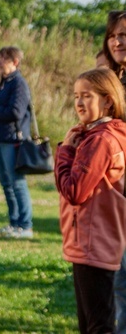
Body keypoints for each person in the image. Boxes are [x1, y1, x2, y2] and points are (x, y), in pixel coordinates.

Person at [55, 68, 126, 334]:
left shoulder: (102, 140)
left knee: (98, 325)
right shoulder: (101, 135)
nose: (79, 103)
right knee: (92, 322)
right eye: (76, 96)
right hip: (93, 241)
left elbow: (74, 190)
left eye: (87, 96)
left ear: (108, 100)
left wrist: (65, 152)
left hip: (92, 242)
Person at [0, 46, 34, 238]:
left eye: (4, 58)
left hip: (13, 140)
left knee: (17, 183)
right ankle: (14, 223)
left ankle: (25, 226)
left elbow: (15, 112)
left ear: (15, 62)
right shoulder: (3, 84)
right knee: (6, 184)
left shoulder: (19, 84)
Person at [101, 10, 126, 332]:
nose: (118, 40)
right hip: (115, 190)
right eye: (113, 35)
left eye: (124, 35)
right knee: (118, 279)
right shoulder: (113, 78)